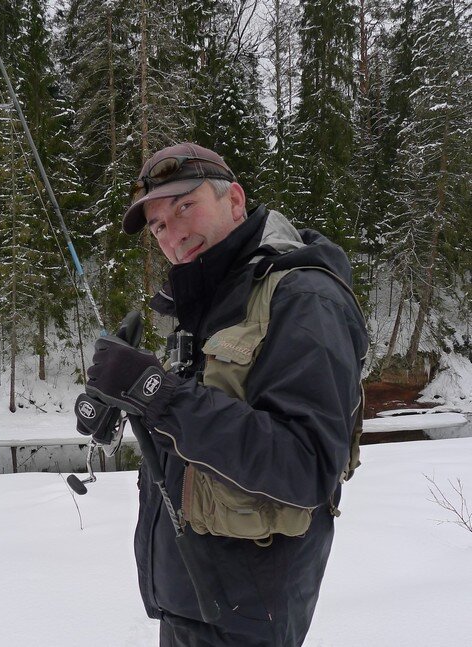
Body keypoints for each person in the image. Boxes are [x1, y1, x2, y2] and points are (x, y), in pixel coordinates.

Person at [82, 142, 368, 646]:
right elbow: (204, 432)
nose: (173, 234)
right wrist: (129, 404)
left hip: (247, 618)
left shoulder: (303, 299)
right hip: (191, 601)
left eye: (184, 206)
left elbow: (306, 467)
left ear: (234, 200)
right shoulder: (207, 301)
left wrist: (158, 394)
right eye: (159, 227)